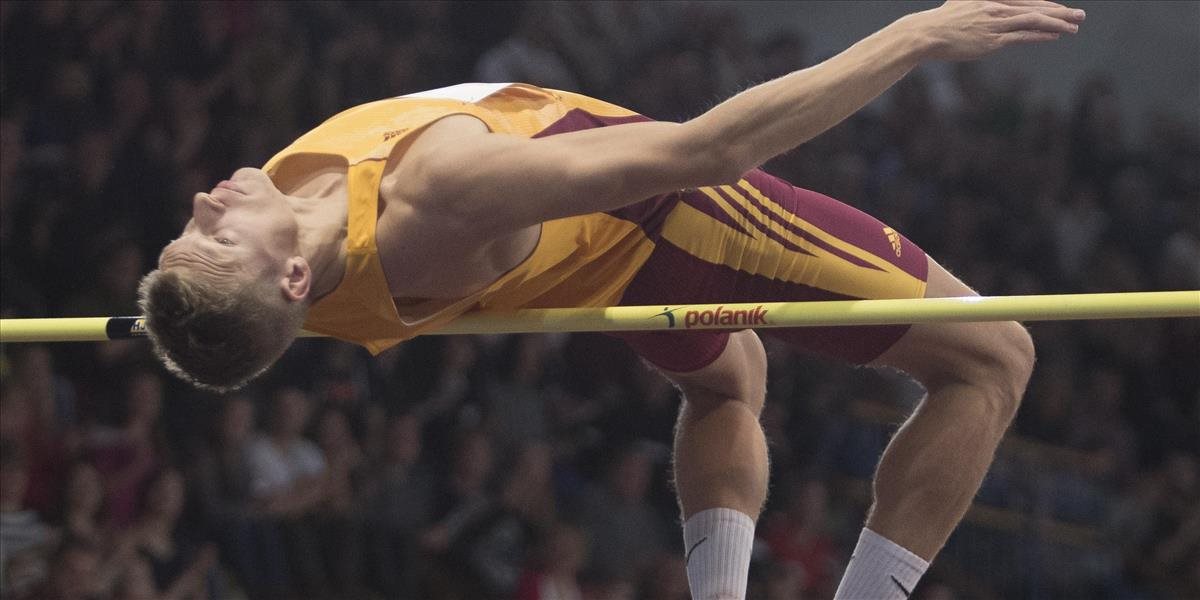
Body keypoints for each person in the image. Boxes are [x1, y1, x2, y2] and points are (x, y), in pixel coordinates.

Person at [137, 2, 1085, 598]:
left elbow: (220, 325)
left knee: (728, 387)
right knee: (996, 357)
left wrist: (188, 300)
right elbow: (702, 153)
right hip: (674, 219)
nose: (203, 201)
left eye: (188, 228)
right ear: (293, 280)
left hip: (581, 263)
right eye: (214, 234)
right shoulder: (438, 194)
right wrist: (914, 35)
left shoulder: (264, 287)